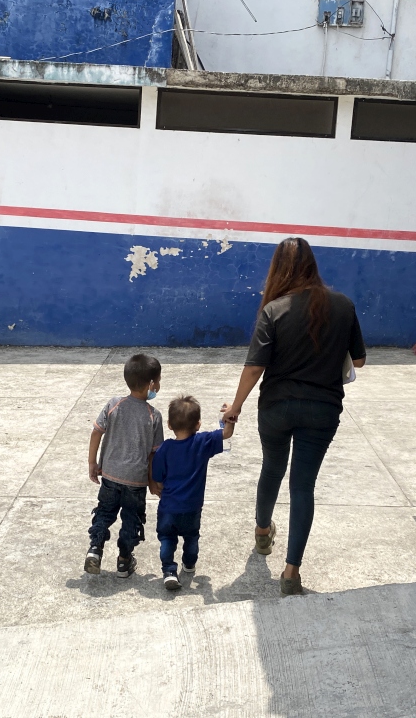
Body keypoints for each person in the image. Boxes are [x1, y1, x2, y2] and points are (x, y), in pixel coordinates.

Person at [223, 237, 367, 596]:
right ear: (313, 265)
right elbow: (360, 360)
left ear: (278, 268)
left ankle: (261, 531)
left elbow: (255, 367)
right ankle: (291, 572)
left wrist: (235, 407)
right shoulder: (343, 305)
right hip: (322, 409)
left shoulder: (274, 310)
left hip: (276, 407)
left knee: (272, 467)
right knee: (303, 485)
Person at [85, 354, 164, 578]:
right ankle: (124, 561)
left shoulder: (113, 404)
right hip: (136, 481)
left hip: (110, 475)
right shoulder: (154, 416)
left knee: (104, 513)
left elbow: (96, 432)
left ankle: (95, 549)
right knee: (132, 519)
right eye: (158, 381)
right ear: (150, 385)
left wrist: (93, 462)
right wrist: (152, 481)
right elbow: (153, 455)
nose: (159, 386)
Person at [151, 396, 235, 591]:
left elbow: (157, 479)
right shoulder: (203, 442)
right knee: (191, 537)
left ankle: (169, 571)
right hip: (192, 507)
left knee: (166, 539)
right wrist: (229, 417)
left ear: (169, 425)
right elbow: (227, 434)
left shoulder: (164, 449)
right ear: (198, 424)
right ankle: (188, 564)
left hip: (168, 508)